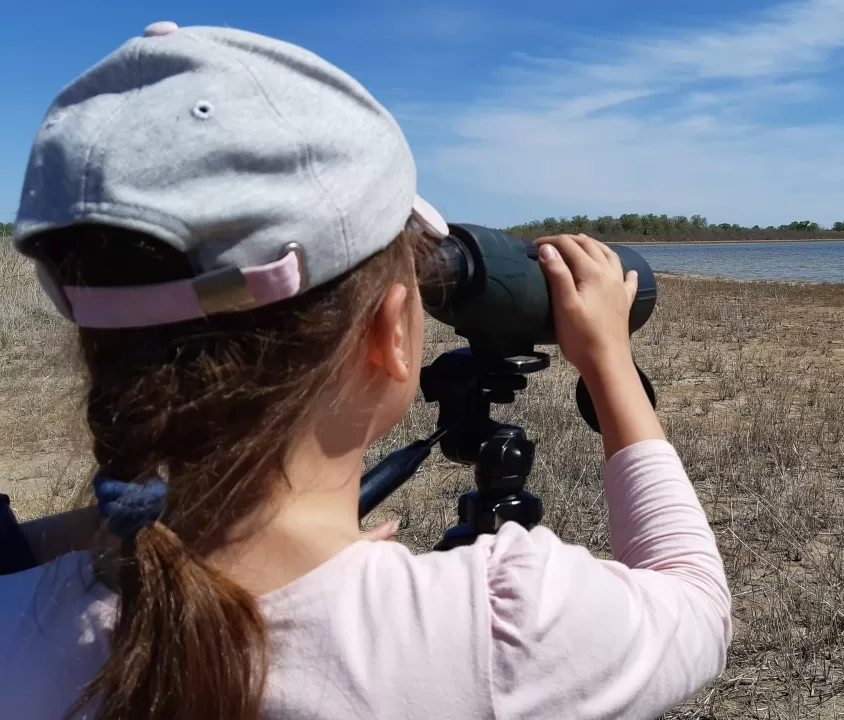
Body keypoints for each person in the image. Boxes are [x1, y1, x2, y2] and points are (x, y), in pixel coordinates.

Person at [0, 22, 731, 720]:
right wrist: (608, 363)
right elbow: (695, 598)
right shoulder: (501, 631)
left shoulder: (18, 625)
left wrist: (243, 539)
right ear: (390, 333)